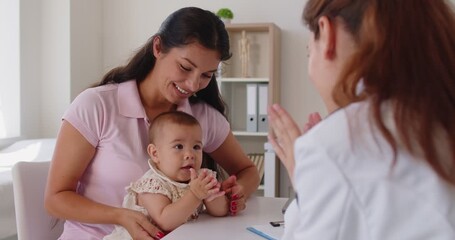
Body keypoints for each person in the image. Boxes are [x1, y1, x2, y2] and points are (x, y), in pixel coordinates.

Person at [44, 6, 260, 240]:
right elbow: (56, 198)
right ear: (158, 48)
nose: (193, 84)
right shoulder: (96, 106)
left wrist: (239, 191)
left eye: (207, 75)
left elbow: (247, 171)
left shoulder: (202, 117)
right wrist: (121, 216)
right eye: (185, 67)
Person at [268, 0, 455, 239]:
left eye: (308, 51)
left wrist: (306, 184)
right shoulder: (438, 117)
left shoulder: (336, 145)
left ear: (327, 34)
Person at [104, 111, 228, 239]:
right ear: (155, 153)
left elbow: (220, 212)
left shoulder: (199, 177)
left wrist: (211, 195)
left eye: (196, 147)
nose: (190, 154)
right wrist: (195, 195)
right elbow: (165, 221)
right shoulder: (152, 184)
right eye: (179, 146)